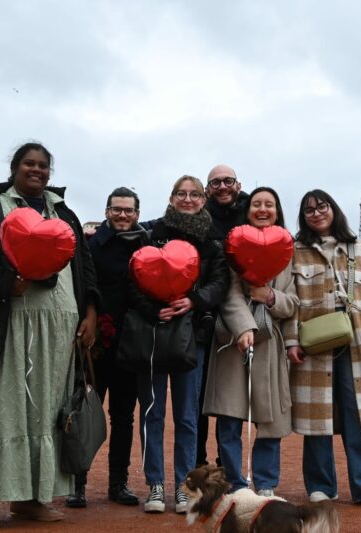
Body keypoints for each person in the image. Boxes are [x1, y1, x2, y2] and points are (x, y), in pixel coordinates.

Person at [0, 142, 100, 531]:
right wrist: (5, 282)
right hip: (12, 319)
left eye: (43, 166)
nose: (37, 170)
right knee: (3, 407)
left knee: (47, 410)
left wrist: (91, 312)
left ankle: (31, 499)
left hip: (61, 324)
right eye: (29, 164)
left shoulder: (63, 212)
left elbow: (84, 265)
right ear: (14, 168)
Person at [286, 189, 361, 509]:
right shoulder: (295, 252)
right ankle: (321, 485)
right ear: (303, 217)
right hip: (314, 344)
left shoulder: (360, 250)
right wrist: (292, 340)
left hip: (359, 344)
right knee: (316, 416)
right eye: (309, 210)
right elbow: (291, 300)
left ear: (333, 209)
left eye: (322, 207)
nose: (317, 213)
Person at [130, 175, 229, 514]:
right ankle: (155, 485)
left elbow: (220, 282)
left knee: (188, 416)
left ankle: (185, 487)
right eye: (181, 194)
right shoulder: (151, 234)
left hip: (193, 335)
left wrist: (194, 301)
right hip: (154, 333)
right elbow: (134, 280)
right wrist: (153, 309)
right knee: (152, 412)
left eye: (194, 194)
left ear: (203, 199)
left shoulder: (212, 239)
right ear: (172, 198)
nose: (188, 199)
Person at [203, 187, 299, 497]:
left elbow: (293, 302)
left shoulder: (289, 248)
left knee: (270, 420)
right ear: (247, 211)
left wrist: (269, 296)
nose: (262, 209)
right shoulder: (234, 245)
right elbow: (229, 294)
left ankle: (266, 483)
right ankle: (236, 483)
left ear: (277, 210)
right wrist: (244, 327)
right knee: (230, 418)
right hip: (234, 343)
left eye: (269, 204)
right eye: (256, 204)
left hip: (270, 346)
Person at [67, 187, 148, 508]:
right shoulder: (90, 246)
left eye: (128, 210)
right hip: (95, 344)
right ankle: (77, 483)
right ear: (107, 212)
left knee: (124, 417)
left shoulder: (146, 245)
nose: (122, 215)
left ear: (137, 214)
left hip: (130, 344)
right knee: (84, 413)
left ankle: (119, 483)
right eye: (117, 209)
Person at [194, 164, 251, 468]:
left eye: (228, 181)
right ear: (207, 189)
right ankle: (198, 462)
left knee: (232, 398)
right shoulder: (199, 216)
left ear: (238, 185)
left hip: (242, 316)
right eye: (215, 183)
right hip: (205, 315)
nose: (223, 187)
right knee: (200, 397)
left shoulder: (252, 212)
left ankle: (227, 464)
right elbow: (163, 223)